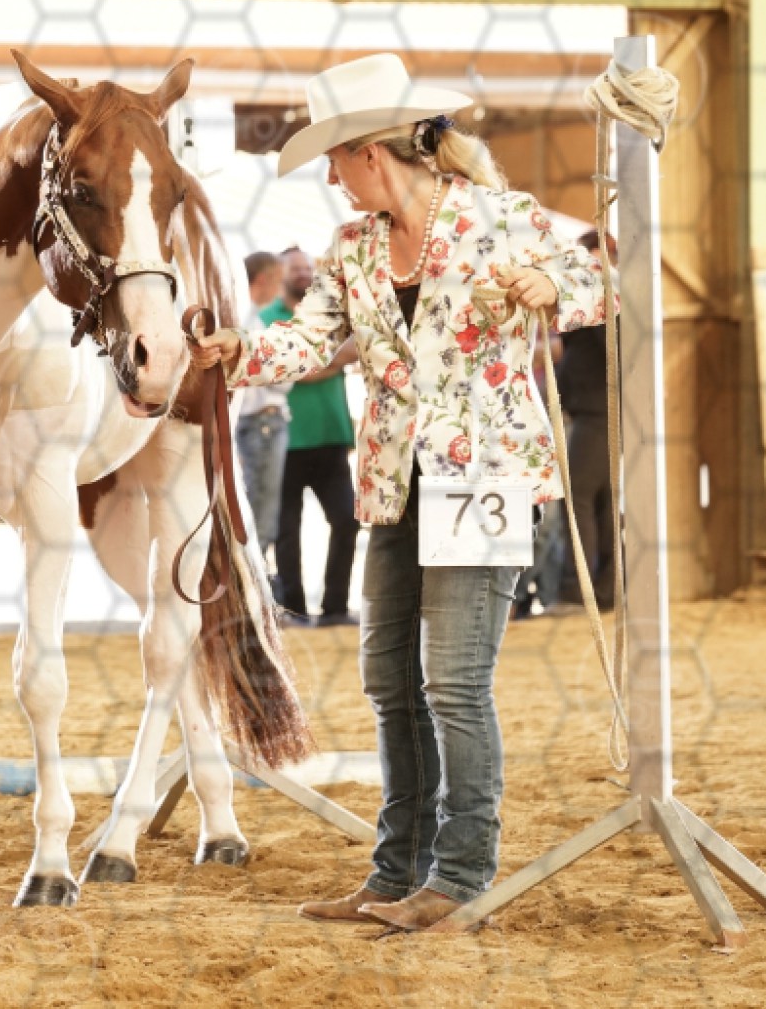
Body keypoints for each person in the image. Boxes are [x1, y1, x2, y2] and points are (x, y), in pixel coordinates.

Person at [188, 53, 608, 933]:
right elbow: (310, 340)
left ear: (370, 153)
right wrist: (239, 351)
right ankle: (395, 873)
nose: (331, 180)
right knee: (389, 676)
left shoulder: (501, 218)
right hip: (395, 484)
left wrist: (550, 285)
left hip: (484, 477)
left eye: (333, 161)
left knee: (454, 681)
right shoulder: (353, 249)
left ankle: (462, 874)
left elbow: (595, 285)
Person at [521, 229, 616, 617]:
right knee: (601, 502)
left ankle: (578, 591)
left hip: (597, 412)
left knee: (578, 499)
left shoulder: (602, 297)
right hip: (596, 411)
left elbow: (612, 353)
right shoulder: (600, 299)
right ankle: (604, 590)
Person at [266, 246, 361, 626]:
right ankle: (294, 610)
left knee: (347, 520)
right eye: (296, 268)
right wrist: (334, 358)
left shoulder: (331, 314)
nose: (304, 273)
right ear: (281, 275)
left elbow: (358, 349)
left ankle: (335, 607)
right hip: (285, 441)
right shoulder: (267, 317)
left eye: (309, 266)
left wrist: (313, 359)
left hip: (332, 437)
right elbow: (286, 368)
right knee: (287, 531)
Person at [235, 251, 292, 562]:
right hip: (262, 424)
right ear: (262, 280)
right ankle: (257, 583)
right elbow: (278, 380)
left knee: (259, 510)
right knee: (261, 515)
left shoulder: (244, 315)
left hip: (255, 425)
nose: (281, 290)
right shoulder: (249, 319)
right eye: (278, 281)